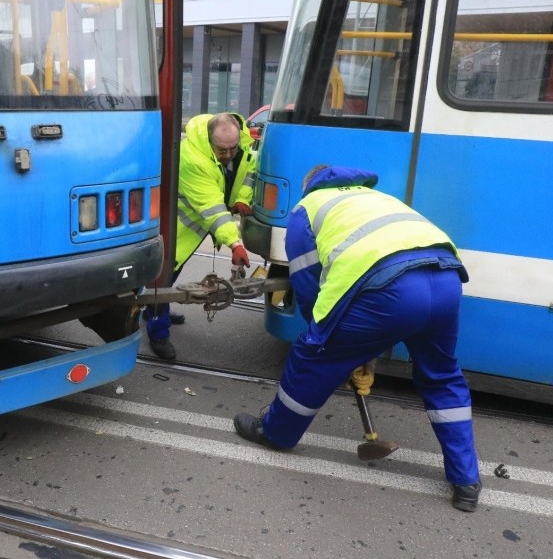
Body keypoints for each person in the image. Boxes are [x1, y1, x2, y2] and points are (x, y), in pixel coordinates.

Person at [232, 165, 482, 512]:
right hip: (445, 279)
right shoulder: (374, 196)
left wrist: (328, 340)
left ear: (309, 187)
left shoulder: (308, 209)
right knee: (442, 375)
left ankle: (276, 433)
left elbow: (308, 287)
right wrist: (364, 348)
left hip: (389, 291)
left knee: (312, 354)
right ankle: (466, 480)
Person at [145, 112, 255, 359]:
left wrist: (241, 198)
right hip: (176, 228)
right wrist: (234, 243)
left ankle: (154, 308)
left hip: (196, 228)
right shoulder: (192, 159)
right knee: (161, 280)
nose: (228, 155)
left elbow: (249, 171)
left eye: (232, 149)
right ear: (208, 140)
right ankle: (158, 332)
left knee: (168, 279)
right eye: (222, 150)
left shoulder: (242, 143)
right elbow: (212, 208)